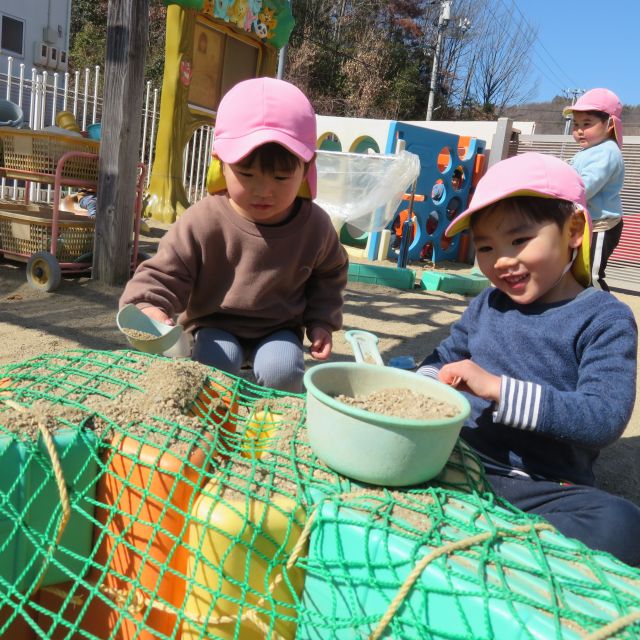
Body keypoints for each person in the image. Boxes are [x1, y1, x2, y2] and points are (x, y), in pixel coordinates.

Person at [417, 152, 640, 566]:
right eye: (485, 247)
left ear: (573, 229)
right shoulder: (488, 303)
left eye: (520, 240)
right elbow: (445, 356)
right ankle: (486, 529)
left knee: (622, 524)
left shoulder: (604, 318)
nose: (501, 260)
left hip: (539, 483)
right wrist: (425, 383)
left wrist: (500, 390)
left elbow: (604, 416)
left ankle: (499, 540)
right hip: (459, 456)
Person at [119, 77, 349, 393]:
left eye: (282, 177)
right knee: (214, 368)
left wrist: (322, 320)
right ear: (221, 164)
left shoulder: (315, 226)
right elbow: (165, 270)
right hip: (215, 324)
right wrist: (150, 307)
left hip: (278, 329)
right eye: (246, 174)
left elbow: (330, 272)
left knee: (283, 373)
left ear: (306, 169)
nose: (263, 190)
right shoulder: (204, 220)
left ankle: (268, 426)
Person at [563, 88, 625, 291]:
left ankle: (606, 314)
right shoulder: (586, 151)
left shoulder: (607, 152)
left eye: (587, 124)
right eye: (576, 124)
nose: (579, 130)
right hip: (587, 223)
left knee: (592, 273)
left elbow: (587, 185)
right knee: (575, 271)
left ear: (609, 125)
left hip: (602, 225)